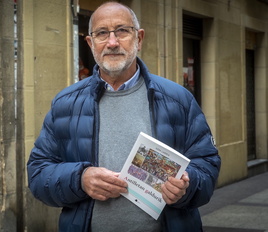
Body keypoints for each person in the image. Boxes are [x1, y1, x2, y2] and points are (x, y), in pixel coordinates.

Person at [27, 2, 221, 232]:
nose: (112, 42)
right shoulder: (66, 104)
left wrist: (186, 187)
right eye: (101, 33)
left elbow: (207, 165)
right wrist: (80, 179)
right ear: (90, 43)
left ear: (138, 38)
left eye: (122, 31)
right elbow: (38, 173)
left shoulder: (178, 99)